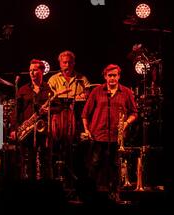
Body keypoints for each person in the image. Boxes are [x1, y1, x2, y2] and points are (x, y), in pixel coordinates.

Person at [81, 64, 137, 202]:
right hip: (98, 135)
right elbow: (85, 114)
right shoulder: (97, 91)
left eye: (115, 75)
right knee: (94, 164)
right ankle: (91, 195)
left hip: (117, 137)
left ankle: (115, 194)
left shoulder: (126, 92)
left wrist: (126, 123)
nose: (112, 78)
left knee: (115, 166)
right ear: (105, 76)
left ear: (119, 76)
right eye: (109, 75)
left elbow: (134, 113)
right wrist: (87, 130)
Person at [47, 50, 91, 183]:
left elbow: (88, 94)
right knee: (58, 149)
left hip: (76, 120)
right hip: (58, 122)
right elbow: (50, 98)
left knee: (77, 150)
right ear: (60, 64)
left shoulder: (81, 79)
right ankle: (58, 176)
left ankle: (76, 178)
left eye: (70, 62)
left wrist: (83, 96)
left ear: (74, 64)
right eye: (64, 62)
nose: (67, 65)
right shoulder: (53, 79)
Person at [11, 59, 54, 181]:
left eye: (35, 70)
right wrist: (14, 128)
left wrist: (49, 110)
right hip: (27, 130)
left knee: (46, 159)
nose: (32, 73)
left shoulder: (48, 89)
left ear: (42, 71)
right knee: (28, 160)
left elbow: (57, 106)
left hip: (42, 130)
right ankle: (29, 186)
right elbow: (16, 111)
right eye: (30, 70)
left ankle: (46, 185)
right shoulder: (23, 90)